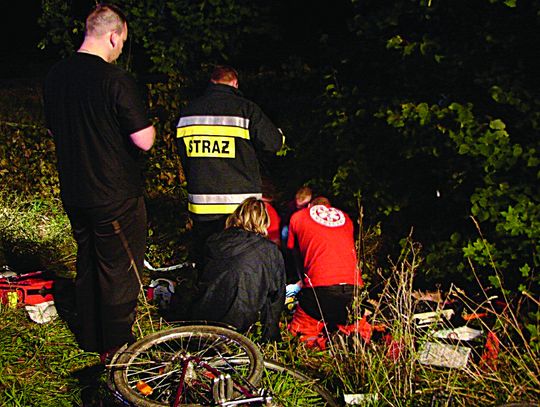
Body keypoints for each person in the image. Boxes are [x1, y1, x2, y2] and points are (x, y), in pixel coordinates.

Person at [43, 4, 156, 361]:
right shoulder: (115, 79)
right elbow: (144, 140)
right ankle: (117, 348)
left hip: (75, 190)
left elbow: (52, 129)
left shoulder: (55, 77)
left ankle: (90, 337)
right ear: (113, 34)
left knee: (89, 260)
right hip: (114, 192)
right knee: (119, 268)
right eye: (122, 40)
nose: (121, 47)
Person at [175, 65, 283, 265]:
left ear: (212, 82)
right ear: (235, 83)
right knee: (243, 262)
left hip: (202, 205)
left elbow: (183, 153)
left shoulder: (187, 112)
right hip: (241, 208)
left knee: (209, 263)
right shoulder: (246, 109)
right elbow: (274, 143)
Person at [191, 197, 286, 341]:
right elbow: (277, 296)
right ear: (263, 220)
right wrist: (271, 336)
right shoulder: (269, 250)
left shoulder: (213, 241)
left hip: (203, 316)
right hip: (243, 325)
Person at [285, 197, 363, 349]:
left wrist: (301, 280)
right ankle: (347, 338)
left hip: (319, 289)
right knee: (350, 323)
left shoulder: (299, 216)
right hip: (353, 289)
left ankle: (317, 343)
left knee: (300, 332)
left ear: (309, 206)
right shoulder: (345, 217)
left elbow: (292, 252)